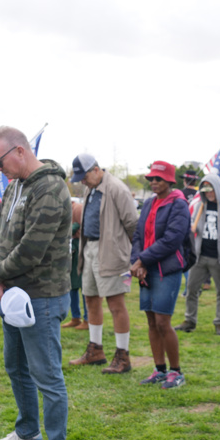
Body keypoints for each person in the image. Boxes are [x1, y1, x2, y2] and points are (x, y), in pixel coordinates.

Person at [0, 126, 72, 440]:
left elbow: (32, 248)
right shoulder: (15, 184)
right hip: (12, 292)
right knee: (16, 366)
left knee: (47, 375)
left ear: (20, 151)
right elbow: (2, 237)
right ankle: (28, 433)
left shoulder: (50, 187)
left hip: (41, 296)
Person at [68, 153, 138, 374]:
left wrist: (132, 256)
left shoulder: (117, 188)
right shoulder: (91, 188)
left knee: (116, 304)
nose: (82, 181)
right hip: (90, 249)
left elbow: (132, 224)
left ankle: (122, 355)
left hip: (113, 253)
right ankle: (95, 349)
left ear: (96, 170)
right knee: (90, 298)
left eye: (84, 176)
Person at [130, 160, 190, 388]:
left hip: (167, 269)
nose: (154, 182)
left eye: (159, 179)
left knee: (164, 321)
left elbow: (173, 239)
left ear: (169, 180)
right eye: (151, 179)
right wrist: (137, 261)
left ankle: (176, 372)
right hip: (146, 269)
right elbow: (138, 234)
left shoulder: (179, 204)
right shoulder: (148, 203)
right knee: (151, 321)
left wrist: (142, 259)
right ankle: (159, 369)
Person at [177, 175, 220, 335]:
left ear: (217, 188)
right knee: (191, 289)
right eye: (205, 190)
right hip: (199, 256)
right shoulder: (200, 206)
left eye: (211, 189)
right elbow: (194, 226)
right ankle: (189, 320)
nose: (209, 193)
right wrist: (191, 228)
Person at [62, 199, 88, 329]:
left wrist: (65, 231)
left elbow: (78, 226)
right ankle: (75, 317)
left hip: (80, 248)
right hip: (72, 250)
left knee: (84, 286)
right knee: (72, 285)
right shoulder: (68, 209)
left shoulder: (78, 209)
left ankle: (88, 319)